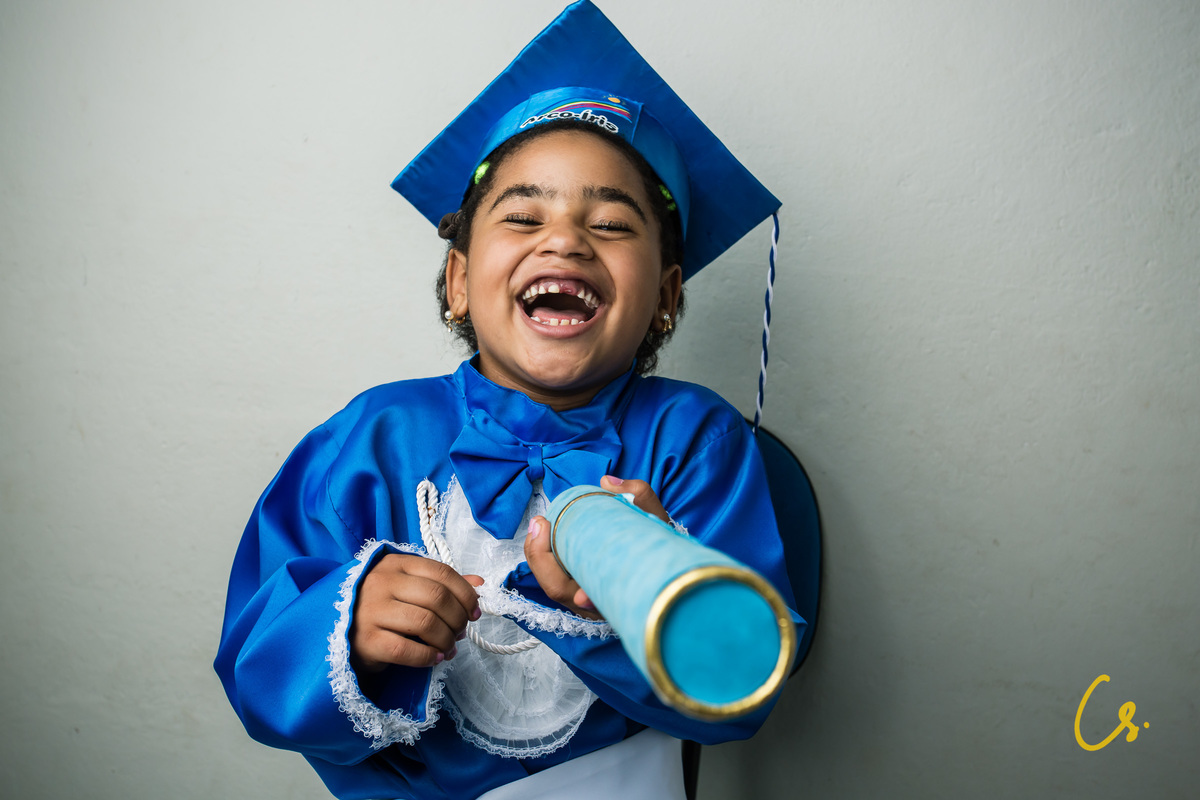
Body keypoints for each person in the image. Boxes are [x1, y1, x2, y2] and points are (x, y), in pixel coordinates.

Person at [214, 3, 805, 798]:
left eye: (610, 223)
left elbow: (742, 685)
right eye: (523, 215)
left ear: (666, 297)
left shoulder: (693, 440)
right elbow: (257, 652)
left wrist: (637, 589)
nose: (564, 240)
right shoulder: (371, 438)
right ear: (459, 281)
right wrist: (347, 627)